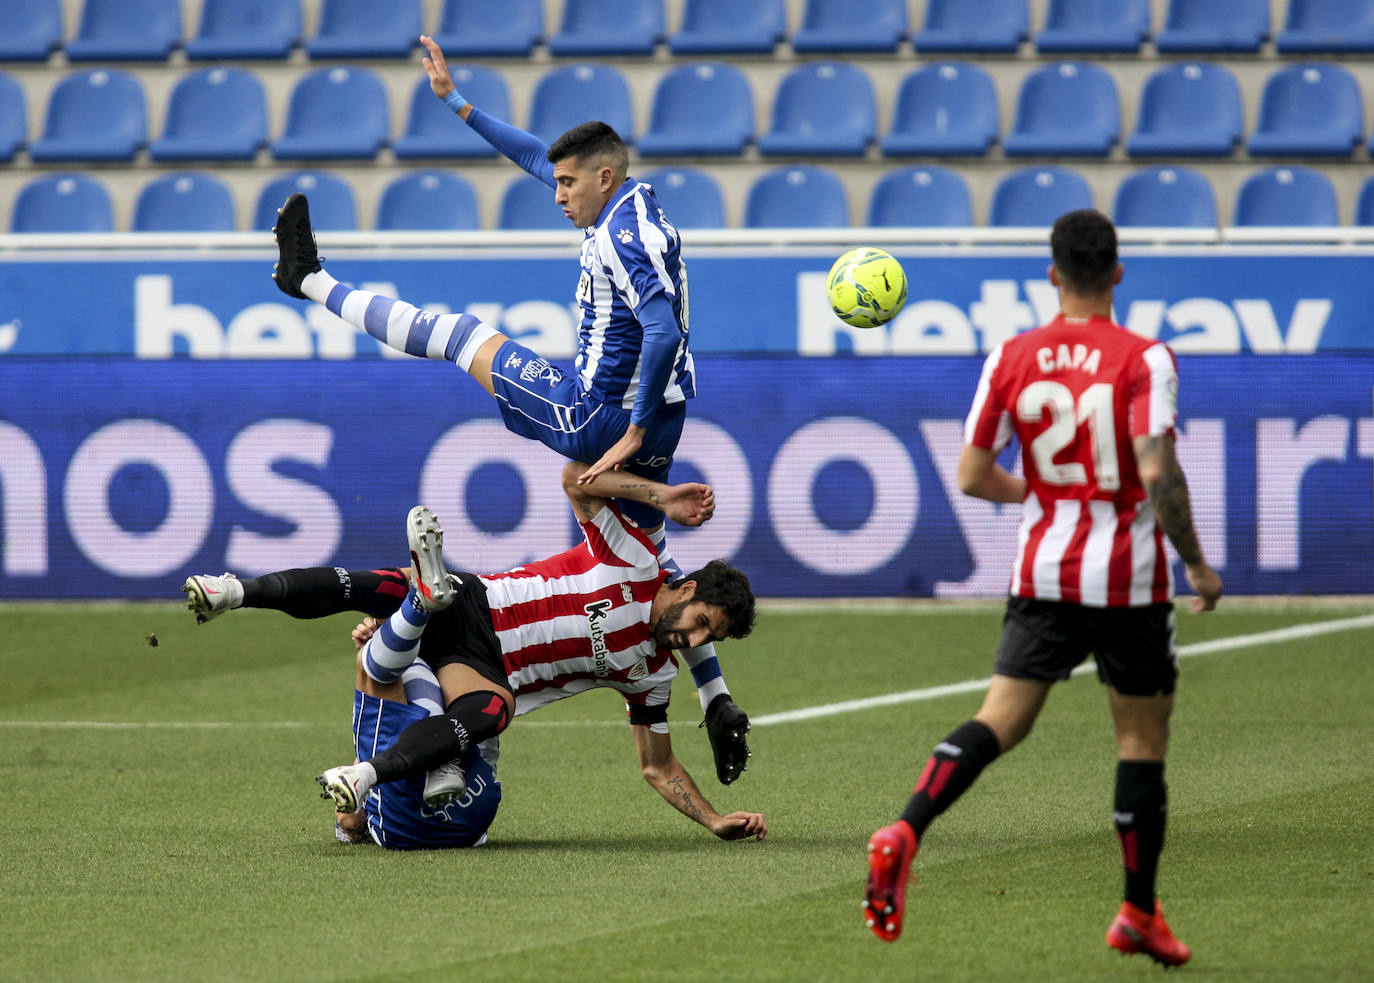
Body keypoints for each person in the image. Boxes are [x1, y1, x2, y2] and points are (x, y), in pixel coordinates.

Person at [269, 33, 749, 782]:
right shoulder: (632, 205)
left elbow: (660, 331)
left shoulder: (621, 236)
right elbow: (534, 155)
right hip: (655, 423)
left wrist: (624, 433)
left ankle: (306, 281)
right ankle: (717, 697)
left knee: (461, 337)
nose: (554, 194)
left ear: (603, 175)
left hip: (596, 415)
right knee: (652, 561)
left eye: (565, 184)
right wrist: (457, 103)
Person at [862, 210, 1222, 965]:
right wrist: (1195, 561)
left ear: (1053, 275)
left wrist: (1046, 495)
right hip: (1128, 576)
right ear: (1117, 272)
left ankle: (906, 828)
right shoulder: (1146, 358)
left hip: (1045, 569)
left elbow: (970, 474)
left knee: (1000, 720)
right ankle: (1136, 909)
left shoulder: (1012, 356)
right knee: (1139, 741)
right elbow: (1157, 470)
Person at [185, 463, 767, 843]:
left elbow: (657, 766)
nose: (690, 642)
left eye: (704, 641)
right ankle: (234, 592)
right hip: (477, 604)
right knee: (377, 586)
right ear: (686, 589)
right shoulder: (634, 558)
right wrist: (661, 496)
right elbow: (576, 480)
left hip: (485, 673)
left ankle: (365, 778)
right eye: (698, 625)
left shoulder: (652, 675)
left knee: (491, 710)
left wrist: (713, 819)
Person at [333, 615, 503, 851]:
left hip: (407, 827)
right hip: (473, 811)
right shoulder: (469, 657)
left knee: (375, 658)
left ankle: (442, 757)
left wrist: (381, 643)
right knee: (476, 698)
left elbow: (348, 820)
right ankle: (444, 751)